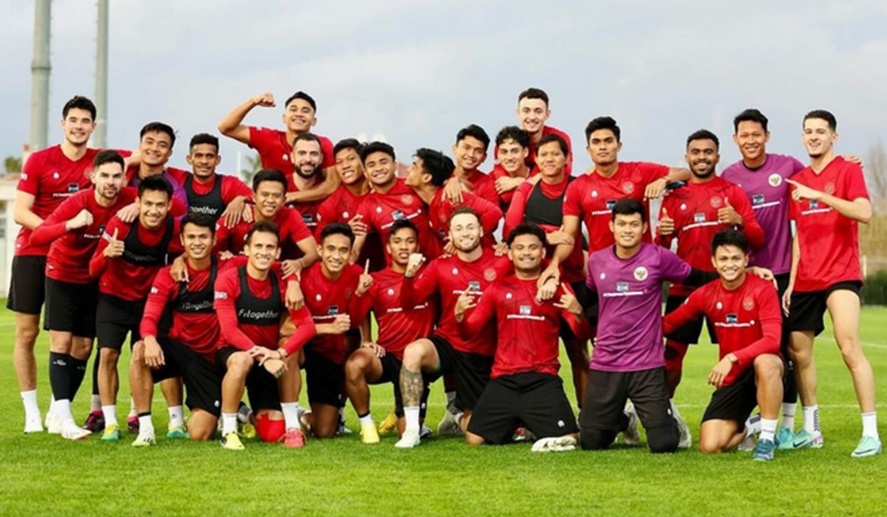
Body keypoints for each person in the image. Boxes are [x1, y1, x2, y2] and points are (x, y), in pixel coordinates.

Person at [579, 199, 773, 453]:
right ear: (611, 226)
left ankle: (666, 421)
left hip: (646, 363)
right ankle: (624, 421)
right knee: (591, 441)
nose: (628, 230)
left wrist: (744, 272)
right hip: (607, 361)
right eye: (622, 224)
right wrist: (595, 326)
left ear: (644, 227)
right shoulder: (597, 261)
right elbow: (590, 297)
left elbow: (696, 277)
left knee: (664, 444)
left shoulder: (658, 257)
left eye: (634, 224)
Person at [656, 129, 765, 448]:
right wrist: (663, 234)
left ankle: (743, 419)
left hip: (726, 288)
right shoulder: (674, 196)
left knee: (735, 356)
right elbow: (659, 251)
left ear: (717, 156)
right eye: (696, 152)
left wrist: (738, 220)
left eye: (707, 152)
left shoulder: (732, 192)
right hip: (685, 288)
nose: (701, 157)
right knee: (671, 357)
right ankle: (666, 414)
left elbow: (758, 238)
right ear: (687, 157)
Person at [785, 110, 880, 457]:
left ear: (833, 137)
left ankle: (870, 434)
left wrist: (821, 196)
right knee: (798, 353)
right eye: (808, 131)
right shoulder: (797, 179)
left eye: (820, 131)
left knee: (849, 347)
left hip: (841, 275)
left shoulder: (848, 169)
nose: (814, 136)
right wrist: (792, 282)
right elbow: (799, 236)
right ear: (802, 137)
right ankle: (811, 430)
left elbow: (864, 212)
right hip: (806, 279)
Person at [30, 150, 136, 439]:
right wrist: (70, 224)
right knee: (61, 342)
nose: (111, 182)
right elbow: (37, 236)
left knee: (84, 348)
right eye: (105, 175)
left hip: (95, 279)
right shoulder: (78, 201)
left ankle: (57, 410)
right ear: (93, 177)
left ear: (124, 179)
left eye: (116, 176)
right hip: (63, 275)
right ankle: (65, 419)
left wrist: (139, 206)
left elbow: (170, 204)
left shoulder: (129, 198)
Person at [10, 95, 101, 433]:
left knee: (78, 342)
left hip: (76, 260)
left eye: (85, 121)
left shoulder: (99, 161)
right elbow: (20, 212)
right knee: (27, 332)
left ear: (93, 126)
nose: (78, 126)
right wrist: (57, 230)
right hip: (34, 252)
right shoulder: (40, 160)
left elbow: (142, 157)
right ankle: (31, 412)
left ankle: (56, 409)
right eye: (73, 120)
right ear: (63, 124)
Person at [456, 223, 587, 452]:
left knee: (570, 437)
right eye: (520, 248)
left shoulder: (558, 289)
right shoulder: (497, 289)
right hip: (504, 379)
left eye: (533, 247)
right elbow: (469, 333)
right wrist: (459, 316)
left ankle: (528, 421)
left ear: (543, 252)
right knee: (474, 439)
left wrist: (577, 312)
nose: (526, 252)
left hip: (542, 379)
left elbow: (581, 334)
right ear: (510, 253)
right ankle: (520, 422)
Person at [394, 207, 515, 448]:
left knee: (476, 436)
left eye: (470, 227)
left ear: (481, 230)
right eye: (458, 228)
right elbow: (408, 302)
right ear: (450, 235)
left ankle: (457, 417)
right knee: (414, 352)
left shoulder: (502, 262)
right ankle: (412, 431)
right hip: (448, 343)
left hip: (482, 351)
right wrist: (408, 276)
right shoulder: (440, 265)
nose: (465, 233)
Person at [721, 108, 806, 449]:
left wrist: (846, 164)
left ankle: (786, 425)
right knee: (749, 349)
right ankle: (754, 419)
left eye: (756, 134)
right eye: (744, 135)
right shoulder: (729, 176)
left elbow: (817, 179)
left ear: (767, 136)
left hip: (782, 274)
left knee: (786, 351)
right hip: (746, 276)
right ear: (735, 139)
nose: (751, 140)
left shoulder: (786, 167)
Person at [663, 229, 783, 461]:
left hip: (766, 371)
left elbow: (772, 340)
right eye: (724, 259)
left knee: (765, 361)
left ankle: (767, 439)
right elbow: (668, 323)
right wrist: (621, 331)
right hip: (734, 378)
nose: (730, 264)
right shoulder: (705, 294)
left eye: (736, 258)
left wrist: (731, 358)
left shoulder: (763, 288)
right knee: (711, 445)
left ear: (746, 259)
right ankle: (751, 426)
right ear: (714, 262)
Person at [89, 176, 184, 441]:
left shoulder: (172, 228)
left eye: (160, 205)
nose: (154, 210)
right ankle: (110, 423)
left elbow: (197, 246)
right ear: (138, 203)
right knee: (108, 355)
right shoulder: (120, 224)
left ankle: (176, 422)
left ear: (169, 206)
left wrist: (181, 259)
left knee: (159, 356)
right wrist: (106, 254)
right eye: (148, 204)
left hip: (150, 302)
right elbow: (92, 269)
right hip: (113, 298)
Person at [214, 221, 316, 450]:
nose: (264, 252)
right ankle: (229, 431)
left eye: (270, 247)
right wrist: (262, 356)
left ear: (278, 252)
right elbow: (229, 331)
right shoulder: (229, 279)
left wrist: (278, 353)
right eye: (258, 246)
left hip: (269, 359)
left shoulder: (283, 280)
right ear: (247, 250)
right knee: (242, 360)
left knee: (272, 434)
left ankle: (282, 423)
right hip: (234, 353)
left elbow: (308, 327)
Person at [504, 134, 589, 405]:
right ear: (536, 159)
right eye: (544, 155)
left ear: (566, 158)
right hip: (535, 283)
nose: (549, 159)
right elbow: (510, 231)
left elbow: (571, 236)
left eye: (555, 154)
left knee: (579, 352)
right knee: (533, 352)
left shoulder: (578, 186)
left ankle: (587, 415)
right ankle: (530, 411)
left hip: (571, 280)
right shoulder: (528, 190)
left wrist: (554, 247)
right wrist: (547, 236)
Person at [129, 213, 227, 445]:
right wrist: (150, 339)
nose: (197, 242)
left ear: (214, 240)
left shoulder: (228, 267)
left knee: (199, 434)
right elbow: (150, 316)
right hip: (180, 350)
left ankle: (234, 411)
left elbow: (266, 264)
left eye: (203, 237)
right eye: (191, 237)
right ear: (182, 240)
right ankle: (145, 429)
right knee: (140, 349)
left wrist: (295, 274)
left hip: (210, 360)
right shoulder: (168, 274)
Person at [346, 219, 436, 443]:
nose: (403, 247)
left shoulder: (430, 275)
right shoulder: (376, 280)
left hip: (416, 361)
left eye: (409, 241)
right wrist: (366, 338)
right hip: (388, 355)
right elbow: (357, 316)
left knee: (407, 432)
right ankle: (367, 424)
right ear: (388, 248)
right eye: (397, 241)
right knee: (354, 364)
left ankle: (401, 413)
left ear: (417, 246)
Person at [293, 224, 365, 438]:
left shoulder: (357, 275)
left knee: (324, 432)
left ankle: (304, 416)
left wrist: (360, 294)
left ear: (350, 253)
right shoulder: (303, 277)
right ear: (320, 250)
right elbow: (288, 327)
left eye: (343, 250)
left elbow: (356, 321)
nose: (336, 256)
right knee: (289, 346)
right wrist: (327, 327)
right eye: (331, 249)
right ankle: (288, 416)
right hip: (303, 346)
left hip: (328, 353)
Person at [217, 91, 337, 202]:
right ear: (284, 118)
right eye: (293, 109)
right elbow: (225, 128)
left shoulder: (323, 144)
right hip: (273, 208)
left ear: (314, 121)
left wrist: (292, 196)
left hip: (313, 208)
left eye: (305, 111)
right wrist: (253, 102)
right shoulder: (269, 139)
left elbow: (332, 184)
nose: (299, 114)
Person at [351, 142, 441, 261]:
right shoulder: (366, 206)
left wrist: (452, 182)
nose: (378, 168)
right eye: (371, 165)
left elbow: (442, 187)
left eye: (383, 162)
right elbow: (355, 250)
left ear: (395, 165)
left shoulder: (412, 185)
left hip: (435, 263)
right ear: (366, 173)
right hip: (400, 271)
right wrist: (346, 231)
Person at [215, 168, 318, 270]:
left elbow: (313, 252)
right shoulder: (236, 213)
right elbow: (209, 243)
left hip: (272, 273)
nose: (270, 200)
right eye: (265, 195)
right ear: (254, 197)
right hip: (236, 272)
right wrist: (221, 255)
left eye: (276, 196)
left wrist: (300, 263)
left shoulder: (290, 215)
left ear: (284, 200)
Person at [405, 147, 502, 252]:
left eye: (414, 167)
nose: (408, 169)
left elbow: (495, 213)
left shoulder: (452, 196)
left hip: (484, 256)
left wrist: (466, 238)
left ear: (426, 178)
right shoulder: (432, 204)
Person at [316, 138, 385, 272]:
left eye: (351, 159)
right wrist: (345, 231)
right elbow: (319, 247)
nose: (345, 166)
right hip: (350, 275)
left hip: (391, 272)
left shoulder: (383, 192)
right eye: (339, 162)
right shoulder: (330, 205)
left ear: (363, 162)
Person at [175, 133, 252, 225]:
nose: (204, 161)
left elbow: (257, 198)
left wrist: (242, 199)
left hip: (217, 233)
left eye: (210, 156)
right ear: (189, 159)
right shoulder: (178, 178)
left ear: (217, 160)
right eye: (199, 156)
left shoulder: (227, 184)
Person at [124, 122, 189, 208]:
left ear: (169, 153)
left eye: (162, 145)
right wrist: (128, 161)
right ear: (140, 145)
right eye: (149, 142)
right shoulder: (121, 175)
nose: (154, 148)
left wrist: (138, 207)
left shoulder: (175, 191)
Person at [447, 125, 499, 206]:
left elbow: (494, 213)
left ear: (484, 158)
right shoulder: (441, 175)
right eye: (466, 148)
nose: (471, 154)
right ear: (455, 149)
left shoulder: (488, 184)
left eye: (478, 151)